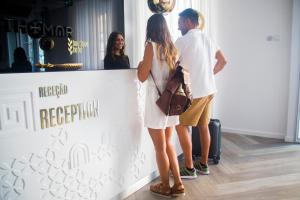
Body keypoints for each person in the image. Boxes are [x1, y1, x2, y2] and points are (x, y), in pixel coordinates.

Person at [175, 8, 227, 179]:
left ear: (189, 22)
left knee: (180, 125)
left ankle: (189, 168)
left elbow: (169, 63)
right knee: (203, 127)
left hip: (195, 92)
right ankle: (203, 164)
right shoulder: (208, 38)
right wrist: (209, 75)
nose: (178, 25)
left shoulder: (183, 40)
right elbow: (223, 61)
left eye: (180, 22)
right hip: (210, 89)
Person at [137, 14, 185, 198]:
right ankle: (178, 184)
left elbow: (141, 76)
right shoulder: (173, 48)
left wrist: (142, 63)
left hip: (156, 103)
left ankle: (165, 185)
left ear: (150, 28)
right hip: (170, 102)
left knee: (160, 148)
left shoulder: (151, 47)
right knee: (169, 145)